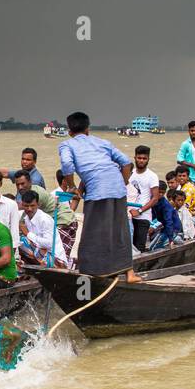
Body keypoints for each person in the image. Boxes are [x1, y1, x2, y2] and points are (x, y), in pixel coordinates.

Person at [59, 111, 134, 278]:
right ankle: (129, 273)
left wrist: (72, 187)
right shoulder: (103, 142)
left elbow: (67, 165)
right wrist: (123, 182)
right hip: (118, 190)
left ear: (70, 132)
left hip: (97, 191)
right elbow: (127, 162)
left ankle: (90, 274)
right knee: (120, 232)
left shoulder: (67, 145)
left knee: (91, 235)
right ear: (88, 129)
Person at [19, 190, 68, 267]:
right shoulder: (26, 219)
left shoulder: (44, 219)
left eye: (32, 206)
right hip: (41, 255)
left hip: (56, 259)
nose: (29, 209)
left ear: (38, 205)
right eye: (26, 206)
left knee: (23, 241)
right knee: (18, 242)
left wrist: (28, 234)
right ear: (22, 204)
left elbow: (48, 244)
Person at [126, 145, 158, 252]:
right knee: (127, 247)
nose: (141, 161)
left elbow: (155, 198)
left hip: (143, 217)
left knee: (139, 247)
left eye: (144, 158)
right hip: (129, 216)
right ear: (135, 158)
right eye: (139, 158)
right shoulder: (130, 173)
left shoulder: (152, 176)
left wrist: (139, 211)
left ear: (148, 159)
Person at [51, 169, 80, 259]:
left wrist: (76, 198)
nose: (72, 182)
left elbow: (70, 212)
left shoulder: (66, 194)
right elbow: (67, 214)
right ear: (64, 181)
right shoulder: (56, 195)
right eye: (70, 180)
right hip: (60, 227)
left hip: (67, 224)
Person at [148, 182, 180, 248]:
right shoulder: (153, 200)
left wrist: (170, 239)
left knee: (155, 248)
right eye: (159, 192)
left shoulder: (165, 205)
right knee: (151, 247)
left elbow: (169, 221)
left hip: (173, 228)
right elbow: (153, 216)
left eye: (163, 193)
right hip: (164, 227)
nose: (161, 194)